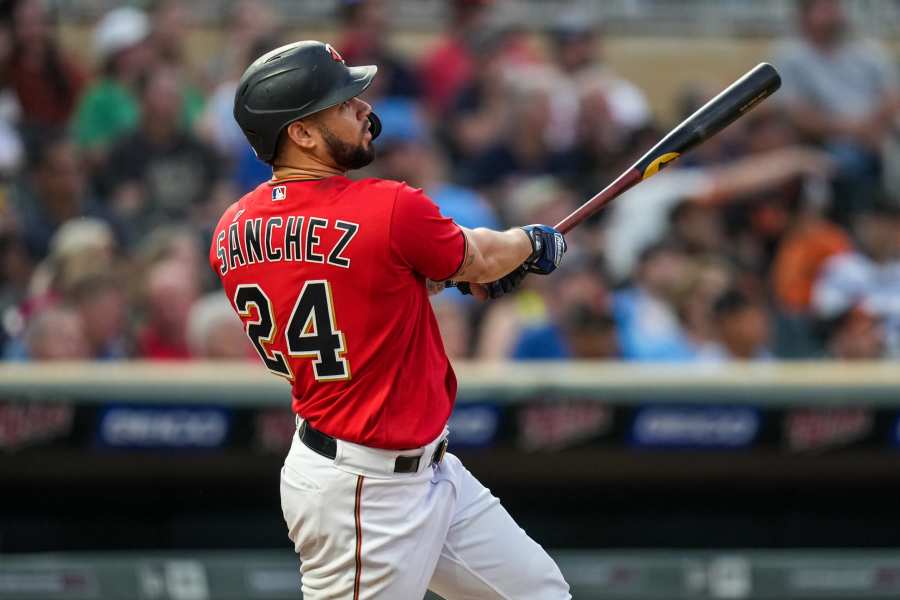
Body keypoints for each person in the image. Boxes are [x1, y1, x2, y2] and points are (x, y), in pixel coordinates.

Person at [216, 41, 570, 599]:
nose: (364, 109)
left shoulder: (232, 228)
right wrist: (529, 242)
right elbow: (477, 255)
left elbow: (360, 284)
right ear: (301, 133)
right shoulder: (389, 207)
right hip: (366, 488)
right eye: (342, 102)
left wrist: (443, 275)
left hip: (420, 469)